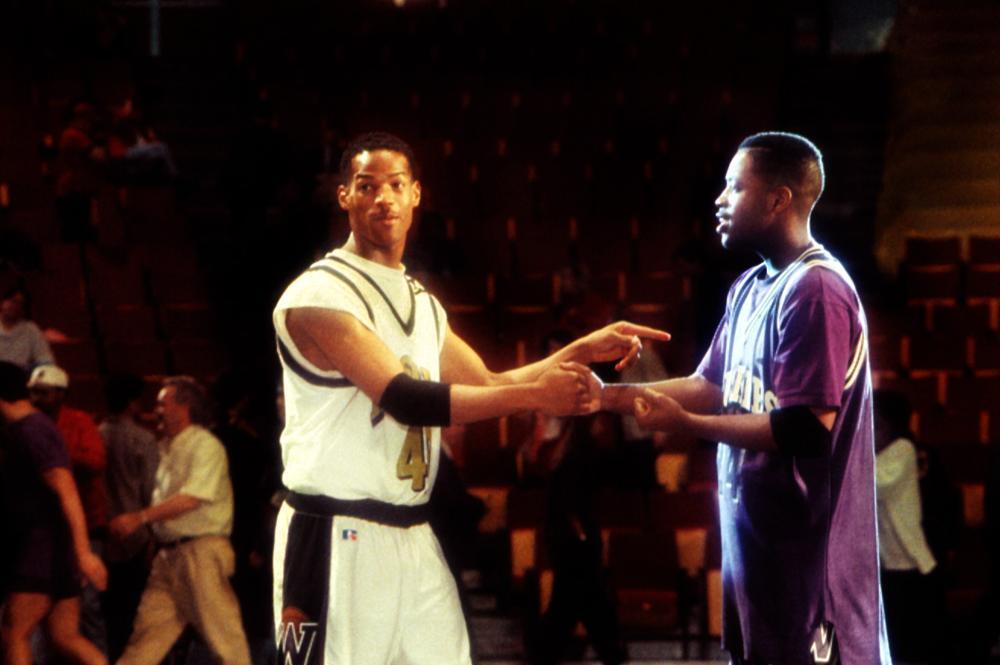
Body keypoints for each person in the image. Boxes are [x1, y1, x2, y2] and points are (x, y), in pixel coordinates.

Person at [271, 131, 669, 665]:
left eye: (396, 185)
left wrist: (580, 348)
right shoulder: (318, 294)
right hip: (335, 533)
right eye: (366, 186)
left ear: (416, 194)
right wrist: (538, 395)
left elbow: (486, 382)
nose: (383, 198)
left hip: (412, 531)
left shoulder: (422, 303)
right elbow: (406, 398)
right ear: (344, 196)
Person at [598, 132, 891, 665]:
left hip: (813, 580)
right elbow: (710, 387)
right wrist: (605, 397)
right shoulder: (749, 287)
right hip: (761, 566)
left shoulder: (816, 290)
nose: (720, 200)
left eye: (734, 187)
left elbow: (805, 428)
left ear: (778, 199)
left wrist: (685, 422)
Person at [108, 376, 251, 665]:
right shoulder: (168, 447)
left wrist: (140, 518)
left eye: (163, 403)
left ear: (184, 408)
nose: (156, 410)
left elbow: (191, 498)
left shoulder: (205, 445)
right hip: (170, 555)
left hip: (201, 552)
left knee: (226, 641)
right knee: (146, 640)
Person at [0, 361, 107, 665]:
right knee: (64, 636)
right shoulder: (30, 428)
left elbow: (66, 489)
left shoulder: (31, 431)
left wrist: (84, 553)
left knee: (14, 633)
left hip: (41, 549)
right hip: (55, 547)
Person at [873, 390, 948, 663]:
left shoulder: (903, 449)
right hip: (890, 566)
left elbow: (874, 483)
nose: (872, 432)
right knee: (896, 643)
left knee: (913, 644)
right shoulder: (885, 454)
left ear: (892, 426)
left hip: (909, 566)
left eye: (876, 425)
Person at [100, 373, 158, 662]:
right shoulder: (143, 439)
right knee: (135, 611)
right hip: (136, 535)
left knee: (108, 613)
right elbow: (151, 490)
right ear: (133, 403)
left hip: (102, 534)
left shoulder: (96, 433)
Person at [0, 286, 54, 372]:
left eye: (20, 304)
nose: (15, 306)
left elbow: (46, 360)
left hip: (19, 376)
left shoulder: (31, 330)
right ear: (3, 302)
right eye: (13, 301)